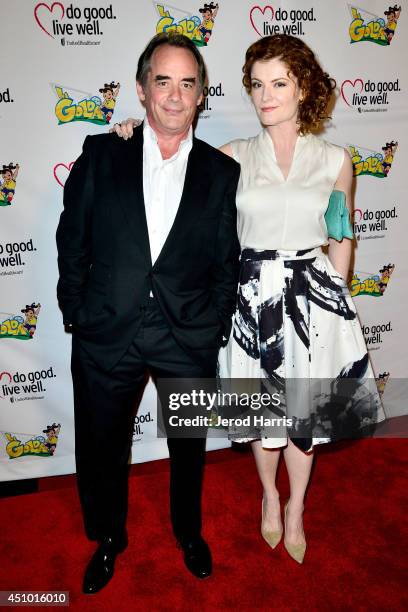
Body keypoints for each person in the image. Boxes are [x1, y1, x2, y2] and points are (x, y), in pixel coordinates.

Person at [114, 34, 385, 565]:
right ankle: (268, 494)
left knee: (306, 422)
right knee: (263, 418)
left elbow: (341, 234)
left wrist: (337, 304)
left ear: (303, 88)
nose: (265, 96)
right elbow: (170, 157)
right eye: (257, 85)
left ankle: (296, 509)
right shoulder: (232, 156)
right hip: (251, 299)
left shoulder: (335, 160)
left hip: (314, 300)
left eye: (278, 83)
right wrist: (132, 132)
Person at [56, 32, 240, 594]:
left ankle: (188, 531)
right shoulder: (102, 151)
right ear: (142, 90)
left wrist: (213, 322)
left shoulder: (219, 170)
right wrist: (77, 311)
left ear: (202, 94)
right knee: (102, 441)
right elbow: (72, 239)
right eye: (164, 81)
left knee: (189, 444)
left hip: (185, 334)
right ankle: (109, 538)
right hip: (107, 328)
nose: (175, 96)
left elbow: (224, 257)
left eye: (188, 83)